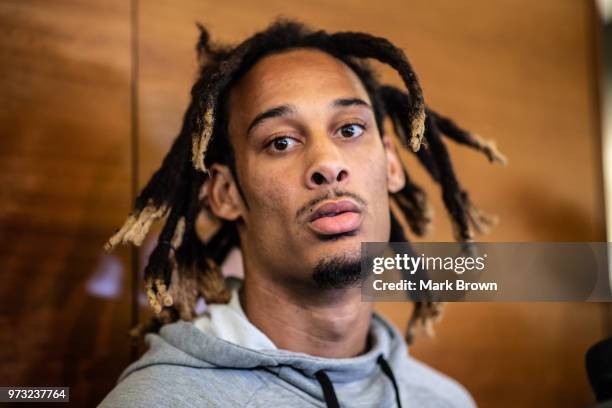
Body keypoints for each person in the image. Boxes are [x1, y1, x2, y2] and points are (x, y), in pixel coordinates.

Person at [100, 19, 505, 407]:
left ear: (391, 165)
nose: (328, 163)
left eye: (349, 129)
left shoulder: (446, 401)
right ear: (226, 193)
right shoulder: (161, 400)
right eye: (280, 142)